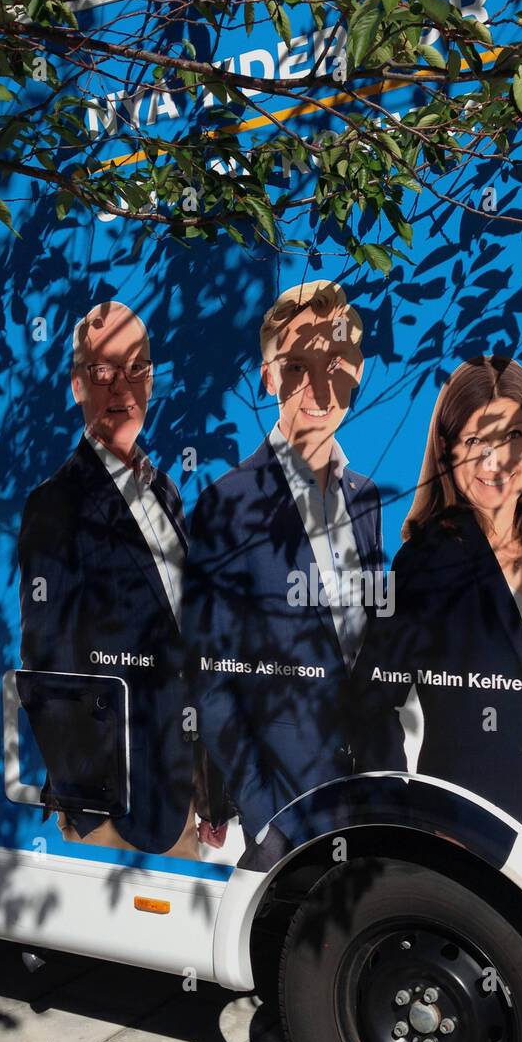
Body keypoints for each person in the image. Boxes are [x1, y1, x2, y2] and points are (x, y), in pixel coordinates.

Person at [355, 355, 522, 932]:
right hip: (481, 859)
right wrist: (423, 832)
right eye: (475, 439)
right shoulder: (427, 562)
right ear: (448, 448)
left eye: (512, 437)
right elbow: (373, 708)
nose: (494, 460)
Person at [183, 279, 385, 861]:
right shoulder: (229, 503)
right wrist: (263, 812)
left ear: (357, 370)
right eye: (296, 366)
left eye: (335, 362)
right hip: (288, 823)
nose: (318, 386)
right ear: (268, 377)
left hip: (371, 804)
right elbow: (209, 677)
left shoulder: (365, 499)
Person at [18, 299, 224, 858]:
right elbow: (45, 661)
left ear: (152, 380)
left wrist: (209, 784)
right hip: (115, 811)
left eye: (136, 368)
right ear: (77, 385)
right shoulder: (56, 503)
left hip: (178, 795)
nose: (121, 387)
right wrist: (93, 801)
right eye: (103, 371)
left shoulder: (164, 491)